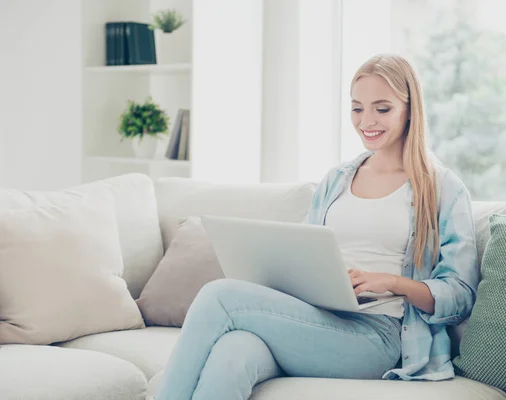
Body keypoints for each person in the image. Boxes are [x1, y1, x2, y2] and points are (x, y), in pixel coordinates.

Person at [155, 54, 479, 400]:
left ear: (410, 109)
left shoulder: (441, 187)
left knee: (218, 295)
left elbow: (460, 294)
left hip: (380, 334)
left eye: (382, 109)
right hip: (317, 317)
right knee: (234, 352)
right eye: (357, 108)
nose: (366, 120)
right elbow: (303, 254)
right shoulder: (337, 180)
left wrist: (391, 282)